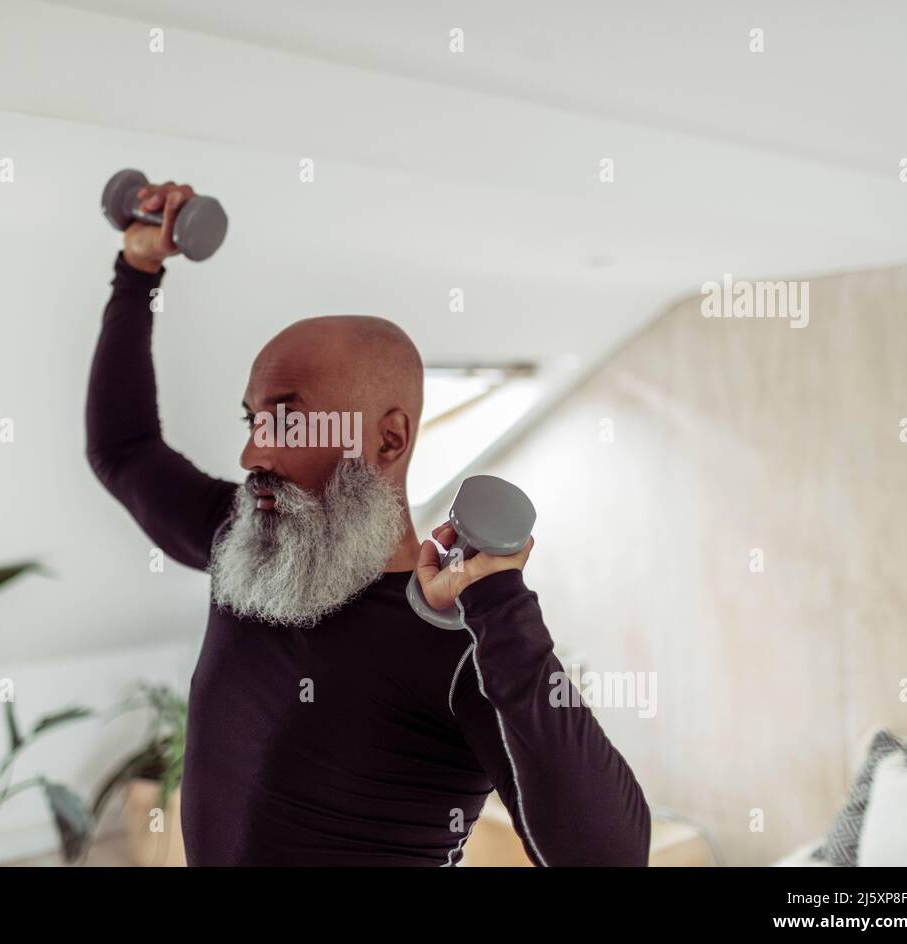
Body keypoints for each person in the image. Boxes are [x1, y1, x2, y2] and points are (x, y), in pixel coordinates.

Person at [85, 178, 651, 866]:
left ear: (389, 440)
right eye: (252, 420)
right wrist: (138, 271)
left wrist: (500, 608)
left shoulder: (460, 646)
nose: (251, 452)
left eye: (287, 420)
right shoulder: (251, 545)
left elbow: (610, 858)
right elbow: (124, 451)